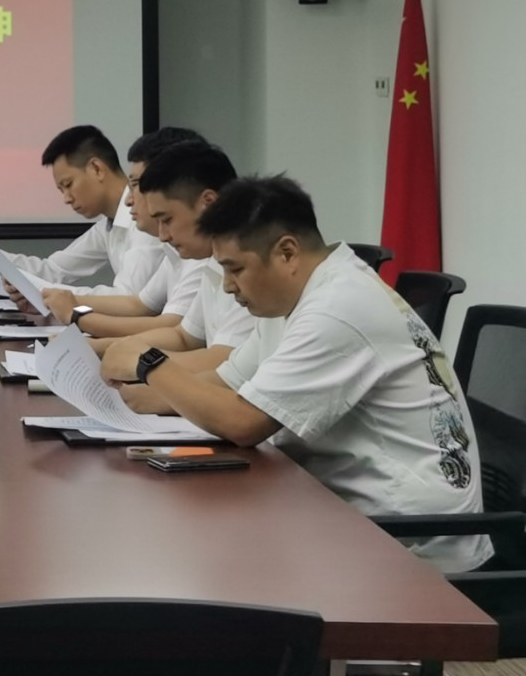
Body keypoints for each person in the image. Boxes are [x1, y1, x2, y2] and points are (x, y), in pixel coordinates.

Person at [100, 174, 488, 574]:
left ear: (286, 253)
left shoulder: (338, 308)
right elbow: (226, 383)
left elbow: (242, 422)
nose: (228, 287)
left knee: (203, 561)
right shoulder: (292, 300)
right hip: (349, 515)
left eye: (235, 269)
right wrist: (119, 398)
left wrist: (149, 364)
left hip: (414, 546)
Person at [87, 141, 276, 404]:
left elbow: (223, 361)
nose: (163, 235)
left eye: (167, 220)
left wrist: (142, 365)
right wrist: (105, 349)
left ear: (207, 203)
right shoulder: (212, 260)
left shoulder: (252, 266)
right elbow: (184, 337)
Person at [0, 124, 161, 290]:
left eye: (68, 185)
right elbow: (52, 270)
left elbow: (127, 300)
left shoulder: (147, 223)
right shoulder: (107, 225)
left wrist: (55, 296)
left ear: (96, 169)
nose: (66, 199)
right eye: (61, 190)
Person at [42, 126, 207, 338]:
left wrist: (77, 316)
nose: (129, 199)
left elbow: (175, 332)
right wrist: (67, 303)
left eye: (137, 185)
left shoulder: (201, 254)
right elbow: (138, 304)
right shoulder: (176, 249)